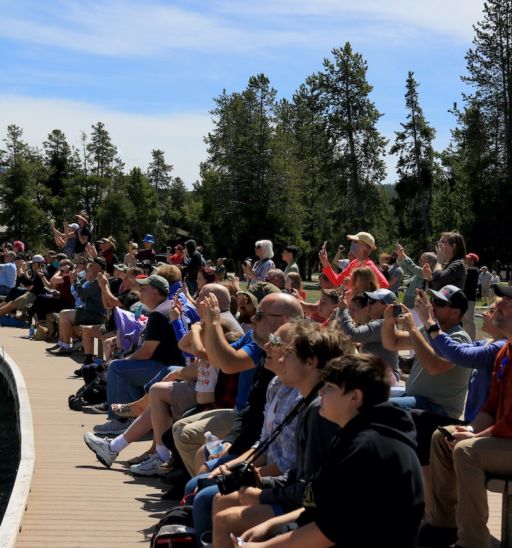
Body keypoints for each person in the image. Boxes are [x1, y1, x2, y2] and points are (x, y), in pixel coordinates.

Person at [240, 354, 424, 548]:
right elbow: (322, 505)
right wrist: (271, 524)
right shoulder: (353, 433)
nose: (321, 393)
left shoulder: (369, 448)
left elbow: (332, 530)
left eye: (330, 388)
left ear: (355, 397)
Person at [417, 283, 512, 548]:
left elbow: (509, 422)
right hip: (503, 438)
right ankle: (442, 525)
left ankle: (472, 542)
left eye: (506, 302)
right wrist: (469, 431)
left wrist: (473, 437)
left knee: (466, 451)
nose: (496, 306)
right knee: (441, 437)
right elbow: (491, 407)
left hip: (508, 439)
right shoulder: (505, 351)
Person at [382, 285, 472, 418]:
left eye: (440, 303)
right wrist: (388, 322)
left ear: (456, 312)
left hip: (439, 409)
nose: (432, 305)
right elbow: (392, 342)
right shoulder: (430, 330)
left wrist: (412, 328)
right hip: (416, 400)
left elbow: (434, 367)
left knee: (380, 408)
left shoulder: (459, 338)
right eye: (433, 300)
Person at [46, 257, 107, 356]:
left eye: (92, 265)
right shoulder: (93, 279)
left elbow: (82, 294)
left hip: (95, 315)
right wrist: (74, 279)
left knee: (64, 315)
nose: (90, 267)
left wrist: (75, 280)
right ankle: (62, 343)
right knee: (63, 314)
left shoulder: (98, 281)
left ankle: (65, 346)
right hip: (89, 312)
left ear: (98, 268)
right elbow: (77, 292)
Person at [339, 288, 400, 383]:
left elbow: (352, 335)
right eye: (368, 301)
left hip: (382, 378)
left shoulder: (382, 324)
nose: (368, 304)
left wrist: (344, 310)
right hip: (379, 375)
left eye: (372, 302)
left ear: (387, 307)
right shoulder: (382, 323)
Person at [318, 231, 389, 289]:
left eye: (355, 241)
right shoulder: (354, 263)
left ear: (363, 246)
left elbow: (385, 285)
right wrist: (325, 263)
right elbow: (336, 281)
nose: (352, 243)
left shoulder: (369, 266)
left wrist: (355, 285)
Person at [395, 244, 437, 309]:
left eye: (421, 260)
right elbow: (406, 269)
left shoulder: (425, 273)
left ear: (429, 263)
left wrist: (403, 254)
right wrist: (400, 256)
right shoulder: (418, 273)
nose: (419, 261)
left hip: (415, 301)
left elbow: (412, 266)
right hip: (408, 299)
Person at [463, 252, 480, 340]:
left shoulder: (473, 270)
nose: (465, 260)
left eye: (468, 259)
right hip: (465, 298)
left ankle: (472, 341)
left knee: (469, 322)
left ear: (472, 262)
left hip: (469, 299)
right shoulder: (469, 269)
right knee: (464, 321)